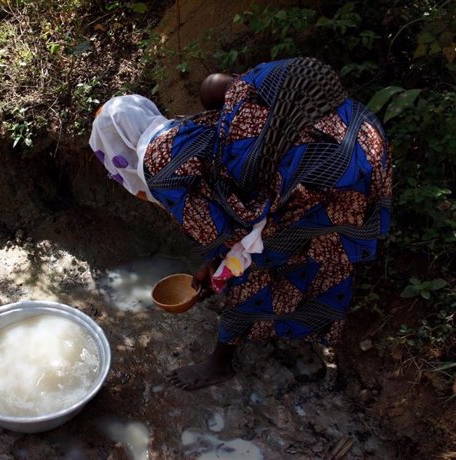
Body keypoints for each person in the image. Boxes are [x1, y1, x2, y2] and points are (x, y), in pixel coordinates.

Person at [89, 57, 392, 390]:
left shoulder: (159, 172)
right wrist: (218, 258)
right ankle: (306, 324)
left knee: (252, 269)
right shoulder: (185, 127)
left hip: (325, 179)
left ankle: (220, 364)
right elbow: (228, 180)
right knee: (318, 249)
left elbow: (229, 237)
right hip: (360, 141)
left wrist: (219, 270)